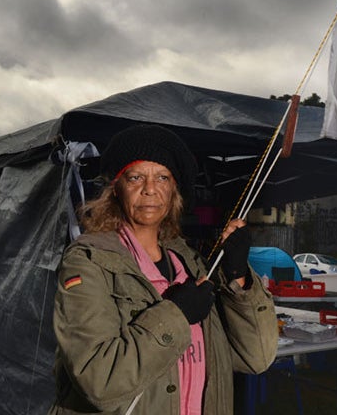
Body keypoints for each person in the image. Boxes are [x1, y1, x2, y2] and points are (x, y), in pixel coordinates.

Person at [49, 124, 278, 415]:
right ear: (116, 189)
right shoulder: (88, 261)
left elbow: (256, 357)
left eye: (162, 177)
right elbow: (99, 381)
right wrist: (177, 315)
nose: (149, 189)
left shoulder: (192, 266)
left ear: (173, 191)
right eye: (135, 177)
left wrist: (237, 277)